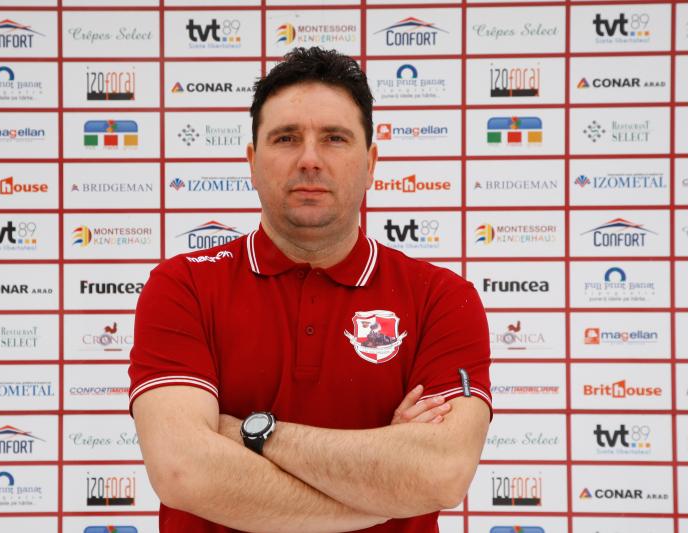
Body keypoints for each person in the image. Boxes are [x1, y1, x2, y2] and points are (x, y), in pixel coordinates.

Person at [128, 46, 491, 532]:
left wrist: (251, 434)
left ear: (371, 163)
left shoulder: (442, 298)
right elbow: (184, 471)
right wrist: (388, 486)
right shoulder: (183, 286)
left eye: (335, 138)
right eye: (286, 138)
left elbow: (442, 473)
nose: (310, 160)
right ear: (252, 161)